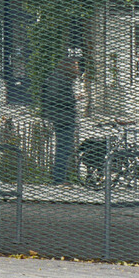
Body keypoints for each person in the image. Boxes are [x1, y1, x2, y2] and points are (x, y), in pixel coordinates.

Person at [45, 48, 81, 185]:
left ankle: (60, 178)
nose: (77, 68)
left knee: (64, 148)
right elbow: (56, 97)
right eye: (75, 65)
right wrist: (73, 99)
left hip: (62, 117)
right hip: (63, 118)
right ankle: (58, 179)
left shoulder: (60, 78)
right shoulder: (60, 79)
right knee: (63, 148)